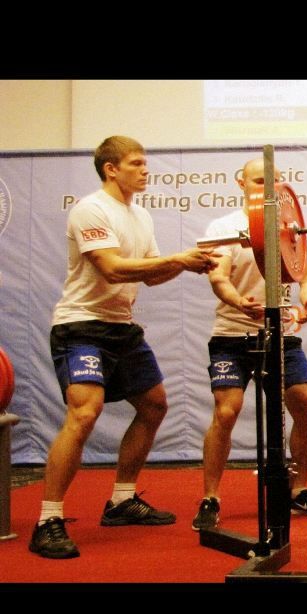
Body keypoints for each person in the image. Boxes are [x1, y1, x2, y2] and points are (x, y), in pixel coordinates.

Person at [30, 136, 220, 559]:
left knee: (154, 406)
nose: (145, 170)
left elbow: (150, 275)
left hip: (121, 327)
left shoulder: (140, 215)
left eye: (145, 163)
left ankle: (121, 500)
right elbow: (113, 269)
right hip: (81, 325)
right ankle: (48, 519)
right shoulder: (91, 209)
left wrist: (192, 264)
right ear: (111, 169)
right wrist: (178, 259)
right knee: (85, 412)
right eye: (136, 163)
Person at [191, 158, 307, 531]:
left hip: (280, 336)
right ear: (242, 184)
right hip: (232, 336)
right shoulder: (223, 227)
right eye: (259, 181)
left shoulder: (290, 228)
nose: (268, 187)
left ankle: (298, 489)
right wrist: (239, 302)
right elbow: (218, 278)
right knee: (227, 412)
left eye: (274, 180)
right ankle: (210, 497)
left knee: (306, 405)